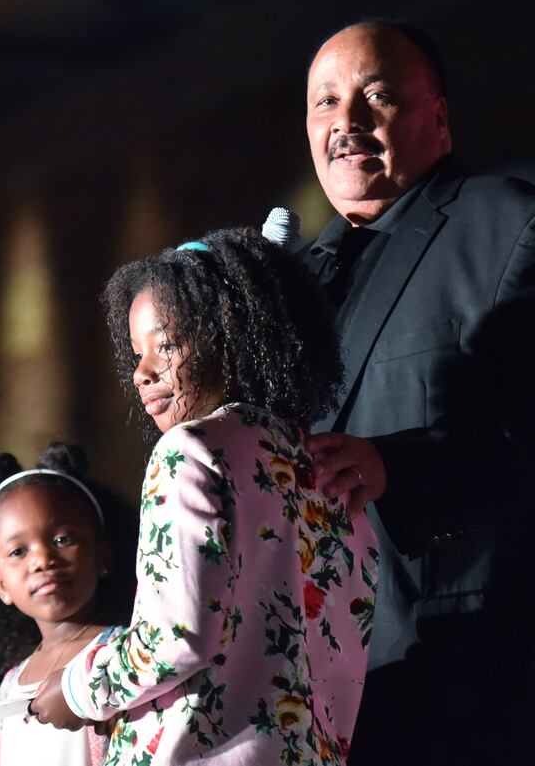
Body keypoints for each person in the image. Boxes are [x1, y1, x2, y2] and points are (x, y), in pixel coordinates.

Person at [30, 228, 378, 765]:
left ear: (231, 338)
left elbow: (174, 637)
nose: (141, 373)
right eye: (137, 353)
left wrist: (78, 689)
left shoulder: (188, 452)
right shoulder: (323, 465)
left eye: (165, 345)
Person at [300, 18, 535, 764]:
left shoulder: (509, 223)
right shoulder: (293, 285)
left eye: (375, 96)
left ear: (437, 114)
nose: (348, 122)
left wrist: (395, 464)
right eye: (326, 103)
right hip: (322, 698)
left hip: (471, 679)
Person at [0, 441, 138, 766]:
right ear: (0, 585)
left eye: (62, 540)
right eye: (18, 552)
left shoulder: (126, 652)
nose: (42, 560)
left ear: (104, 555)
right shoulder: (11, 684)